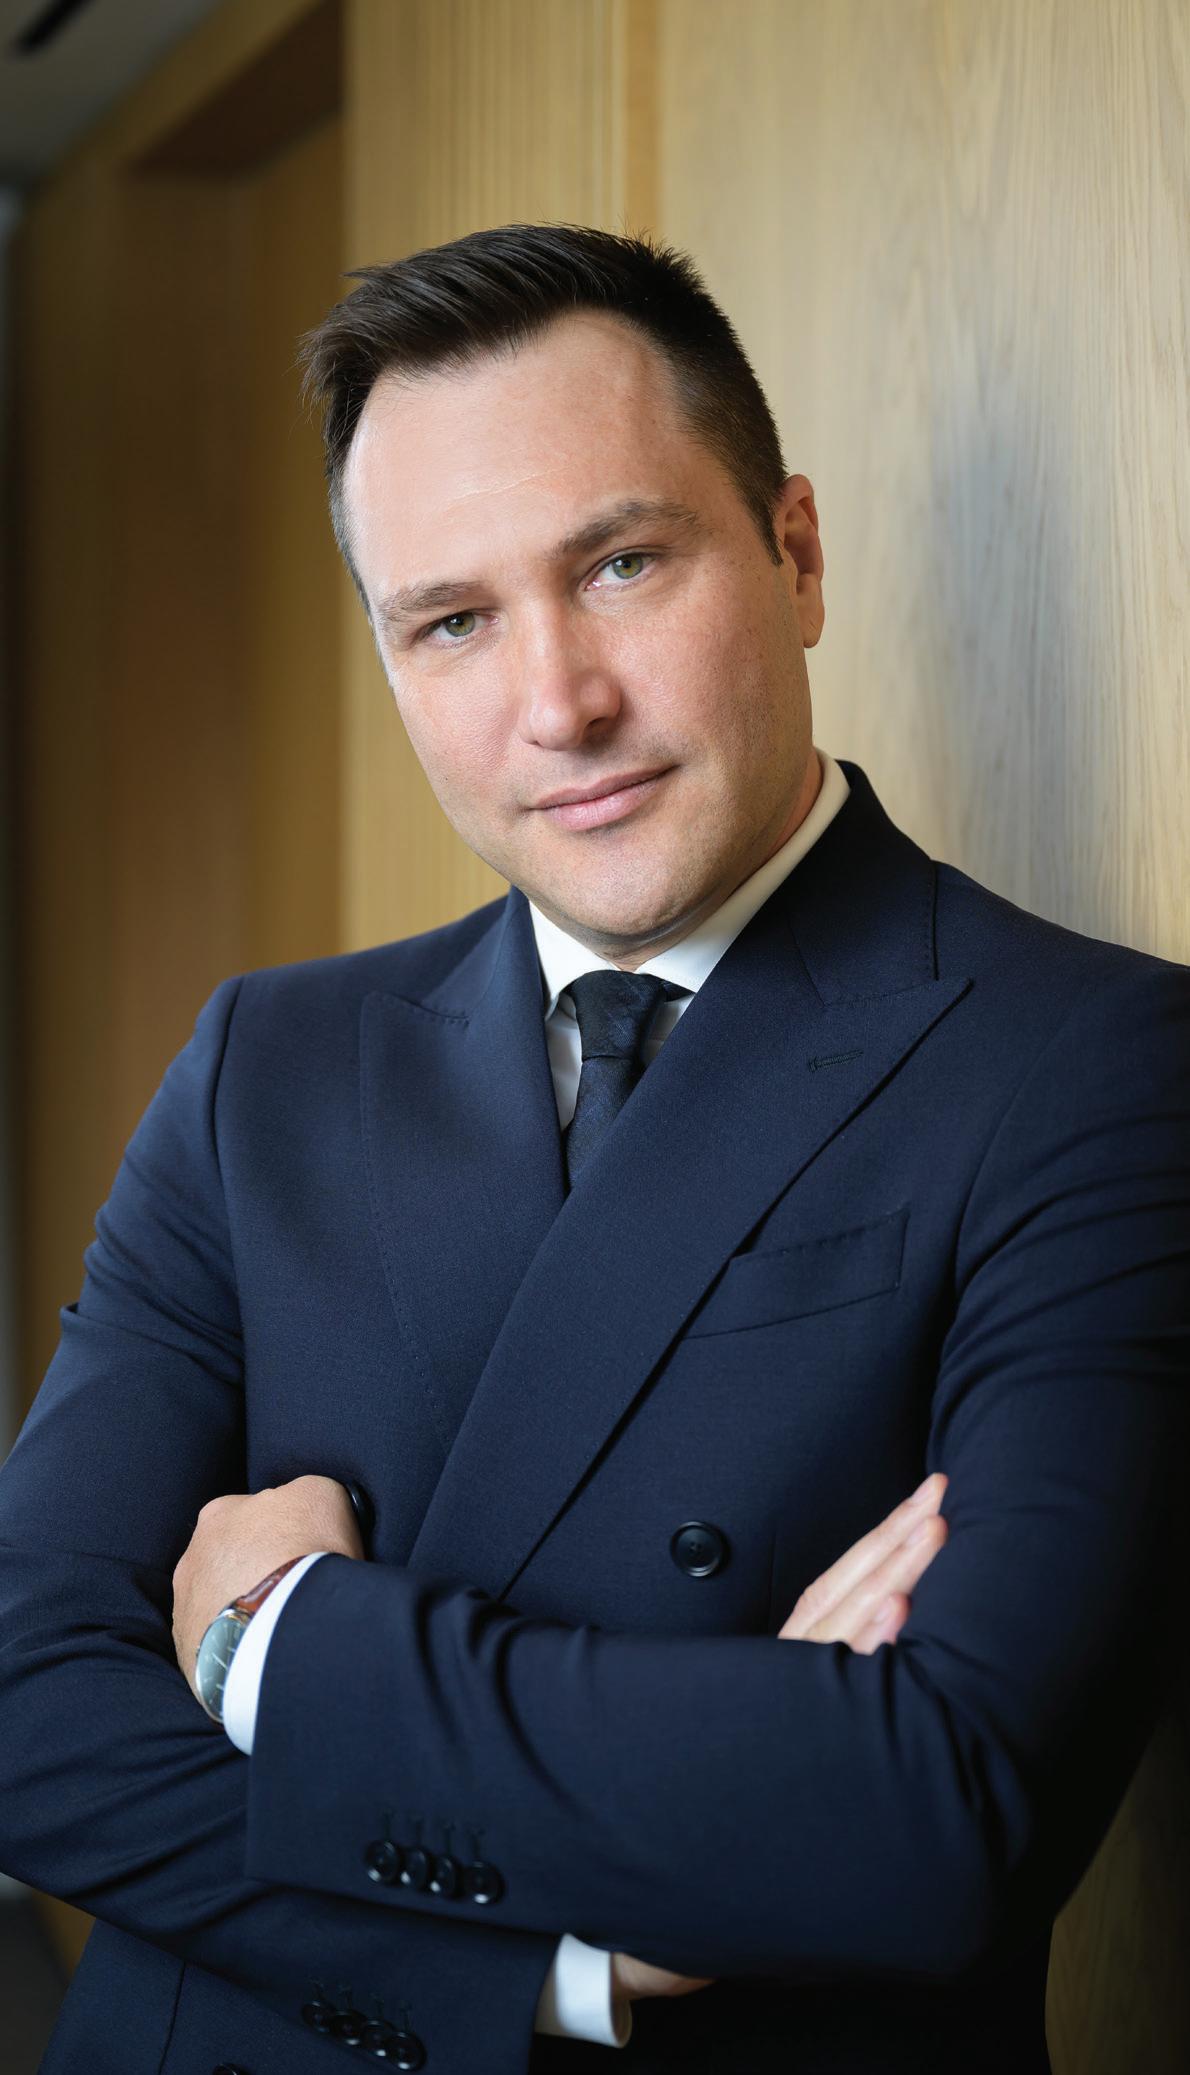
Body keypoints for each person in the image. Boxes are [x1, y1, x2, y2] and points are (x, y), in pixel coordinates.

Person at [0, 223, 1186, 2075]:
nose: (558, 706)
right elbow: (23, 1700)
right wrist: (553, 1961)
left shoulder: (1094, 1065)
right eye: (452, 622)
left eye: (620, 564)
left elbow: (934, 1812)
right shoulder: (267, 1067)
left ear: (795, 554)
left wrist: (279, 1647)